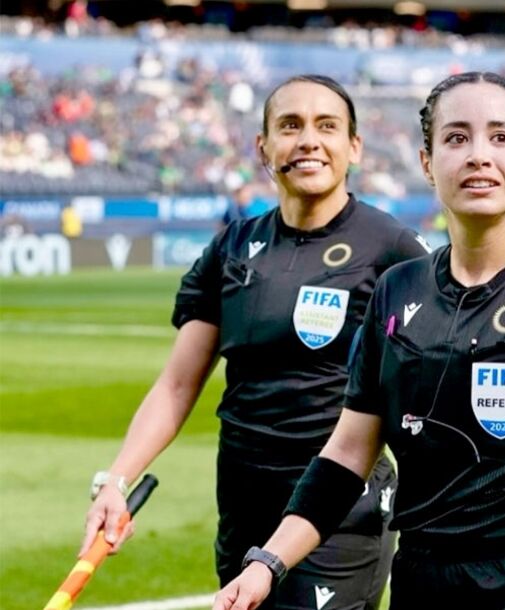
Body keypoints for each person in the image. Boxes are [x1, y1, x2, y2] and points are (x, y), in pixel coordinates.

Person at [215, 71, 505, 610]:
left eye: (501, 137)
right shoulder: (395, 291)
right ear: (427, 162)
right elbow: (347, 453)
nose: (479, 155)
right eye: (457, 138)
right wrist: (269, 561)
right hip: (419, 582)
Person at [81, 74, 431, 609]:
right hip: (243, 506)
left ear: (354, 147)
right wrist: (115, 481)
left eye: (327, 126)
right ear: (263, 147)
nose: (308, 140)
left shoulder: (394, 250)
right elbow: (177, 386)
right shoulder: (231, 248)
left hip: (338, 511)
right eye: (290, 126)